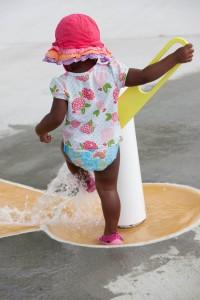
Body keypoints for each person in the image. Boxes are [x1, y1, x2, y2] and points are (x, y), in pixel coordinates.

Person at [35, 14, 194, 245]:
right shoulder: (112, 70)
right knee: (108, 190)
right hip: (106, 148)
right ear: (95, 49)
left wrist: (40, 130)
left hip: (76, 147)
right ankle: (111, 234)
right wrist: (175, 57)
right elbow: (146, 75)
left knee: (65, 148)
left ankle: (82, 178)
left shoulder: (62, 83)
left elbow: (55, 118)